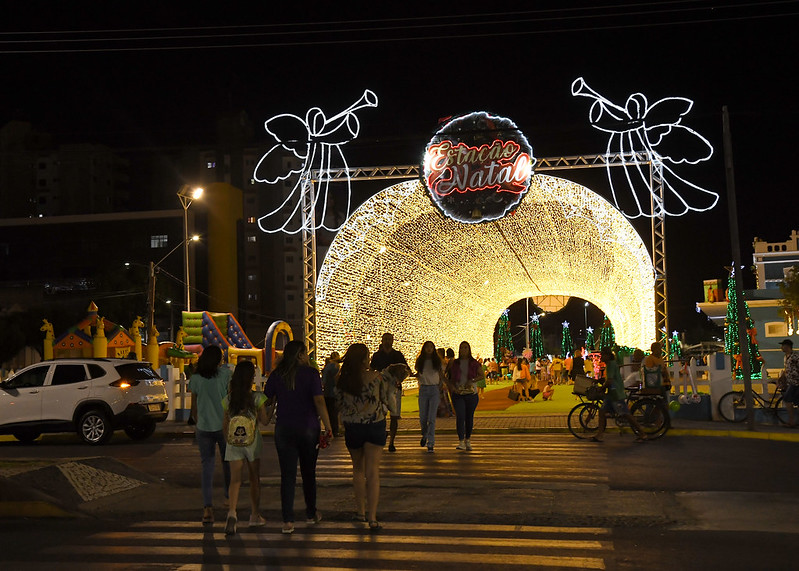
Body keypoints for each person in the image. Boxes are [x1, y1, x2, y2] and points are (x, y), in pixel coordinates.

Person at [264, 340, 333, 535]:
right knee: (308, 472)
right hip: (308, 427)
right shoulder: (311, 373)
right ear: (300, 355)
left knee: (287, 475)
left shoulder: (278, 374)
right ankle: (311, 514)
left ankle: (287, 520)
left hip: (284, 428)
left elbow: (266, 397)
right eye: (305, 353)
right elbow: (319, 400)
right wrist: (328, 426)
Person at [336, 343, 405, 530]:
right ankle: (373, 517)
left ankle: (360, 512)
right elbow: (386, 398)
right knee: (373, 471)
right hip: (375, 425)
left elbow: (339, 404)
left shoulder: (342, 379)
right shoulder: (377, 377)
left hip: (353, 427)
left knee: (357, 469)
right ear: (364, 359)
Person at [221, 360, 271, 535]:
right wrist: (270, 411)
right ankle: (255, 515)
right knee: (254, 479)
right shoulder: (257, 398)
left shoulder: (229, 399)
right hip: (253, 443)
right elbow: (264, 421)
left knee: (235, 480)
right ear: (251, 378)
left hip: (234, 444)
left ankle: (232, 513)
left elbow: (225, 424)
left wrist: (229, 440)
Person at [187, 344, 232, 525]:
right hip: (223, 426)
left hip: (204, 427)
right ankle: (229, 497)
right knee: (228, 463)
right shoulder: (226, 375)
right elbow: (229, 400)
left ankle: (207, 508)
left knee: (207, 467)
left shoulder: (196, 378)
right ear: (218, 359)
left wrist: (197, 420)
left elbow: (194, 405)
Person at [592, 348, 647, 443]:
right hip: (611, 395)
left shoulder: (611, 364)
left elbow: (610, 380)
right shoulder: (610, 365)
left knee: (626, 414)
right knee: (602, 412)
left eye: (603, 355)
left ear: (608, 356)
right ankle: (600, 435)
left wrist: (602, 388)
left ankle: (642, 433)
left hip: (616, 394)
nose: (602, 357)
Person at [370, 332, 408, 453]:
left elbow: (406, 369)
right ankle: (383, 436)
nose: (387, 341)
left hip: (394, 388)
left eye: (389, 339)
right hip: (380, 388)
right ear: (382, 341)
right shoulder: (377, 356)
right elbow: (371, 370)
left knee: (394, 416)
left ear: (392, 341)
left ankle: (391, 441)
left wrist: (399, 379)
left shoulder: (397, 355)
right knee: (380, 414)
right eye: (385, 339)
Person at [445, 341, 484, 451]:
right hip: (458, 393)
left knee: (469, 417)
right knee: (460, 416)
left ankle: (468, 439)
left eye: (466, 348)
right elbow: (449, 378)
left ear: (469, 349)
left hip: (471, 394)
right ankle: (461, 440)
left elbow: (481, 375)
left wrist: (471, 380)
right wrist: (452, 388)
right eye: (462, 348)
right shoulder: (454, 363)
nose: (464, 350)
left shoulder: (474, 363)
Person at [415, 341, 444, 452]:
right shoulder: (420, 361)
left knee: (431, 418)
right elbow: (419, 373)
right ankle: (425, 434)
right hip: (423, 390)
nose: (429, 349)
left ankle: (430, 443)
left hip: (433, 389)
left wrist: (445, 385)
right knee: (423, 418)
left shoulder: (437, 362)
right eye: (427, 347)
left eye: (431, 347)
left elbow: (441, 375)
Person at [778, 339, 799, 427]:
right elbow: (787, 370)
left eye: (783, 345)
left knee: (787, 399)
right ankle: (793, 421)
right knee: (796, 401)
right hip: (791, 382)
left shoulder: (795, 357)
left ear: (787, 347)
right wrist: (782, 377)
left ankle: (791, 421)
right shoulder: (786, 357)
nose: (781, 347)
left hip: (796, 382)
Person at [321, 351, 342, 436]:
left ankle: (330, 429)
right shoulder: (335, 367)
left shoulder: (327, 366)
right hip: (333, 392)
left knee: (330, 412)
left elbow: (324, 380)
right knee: (334, 412)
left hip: (327, 392)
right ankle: (335, 430)